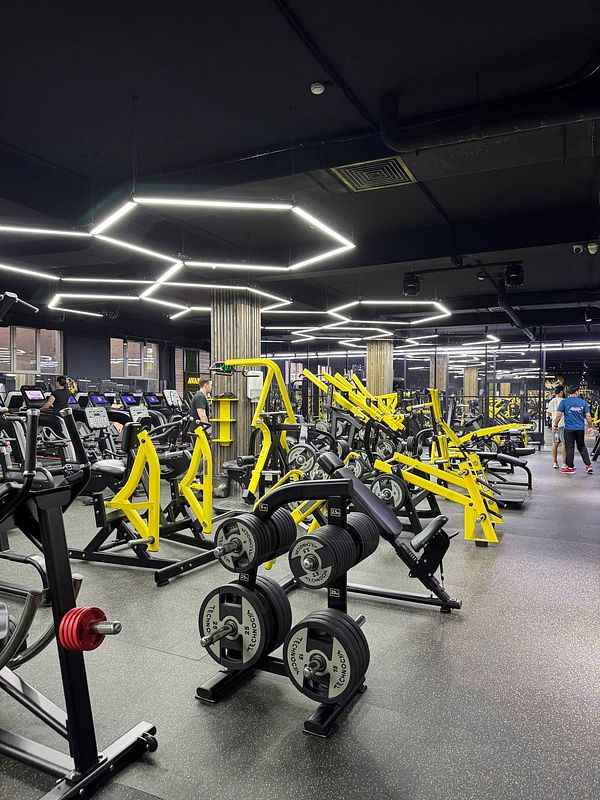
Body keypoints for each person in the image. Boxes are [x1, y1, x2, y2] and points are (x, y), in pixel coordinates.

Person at [553, 385, 594, 474]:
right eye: (579, 391)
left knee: (570, 447)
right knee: (582, 446)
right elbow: (588, 416)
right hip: (580, 429)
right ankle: (588, 466)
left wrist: (555, 425)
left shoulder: (564, 402)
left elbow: (558, 416)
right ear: (576, 392)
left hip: (569, 429)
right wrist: (590, 427)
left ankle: (570, 468)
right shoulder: (583, 402)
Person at [547, 385, 566, 469]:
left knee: (555, 444)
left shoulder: (552, 401)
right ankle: (564, 464)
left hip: (554, 425)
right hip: (563, 425)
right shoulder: (564, 401)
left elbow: (549, 413)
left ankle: (555, 463)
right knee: (564, 444)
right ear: (561, 392)